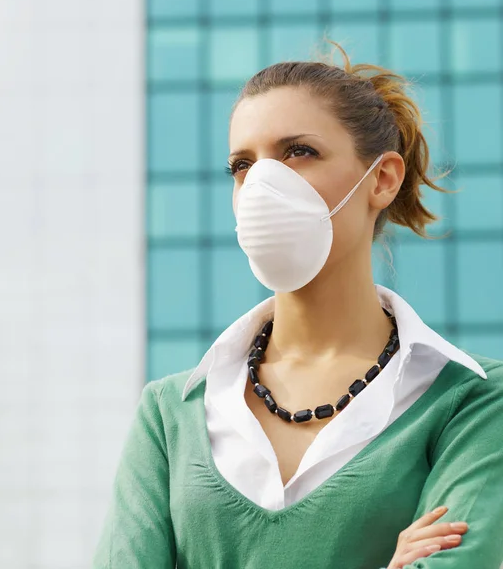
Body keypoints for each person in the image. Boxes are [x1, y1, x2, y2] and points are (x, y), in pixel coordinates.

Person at [93, 41, 503, 568]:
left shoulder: (471, 401)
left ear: (382, 178)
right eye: (243, 165)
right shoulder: (170, 414)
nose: (264, 183)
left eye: (298, 152)